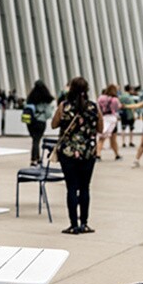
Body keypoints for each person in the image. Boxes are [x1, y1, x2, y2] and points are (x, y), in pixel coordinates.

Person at [51, 76, 102, 234]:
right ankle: (84, 223)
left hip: (68, 153)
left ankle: (73, 225)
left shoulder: (64, 106)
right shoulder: (93, 107)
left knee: (71, 188)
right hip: (88, 153)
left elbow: (53, 124)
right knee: (85, 188)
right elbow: (100, 128)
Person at [23, 79, 53, 165]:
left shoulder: (30, 98)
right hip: (41, 121)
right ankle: (34, 159)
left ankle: (37, 157)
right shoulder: (46, 100)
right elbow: (48, 114)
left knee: (35, 140)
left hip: (30, 122)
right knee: (37, 140)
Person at [97, 84, 122, 160]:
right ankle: (117, 154)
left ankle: (98, 154)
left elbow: (98, 107)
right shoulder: (115, 99)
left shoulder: (101, 98)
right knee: (113, 138)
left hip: (103, 118)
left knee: (102, 137)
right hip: (112, 119)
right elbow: (117, 108)